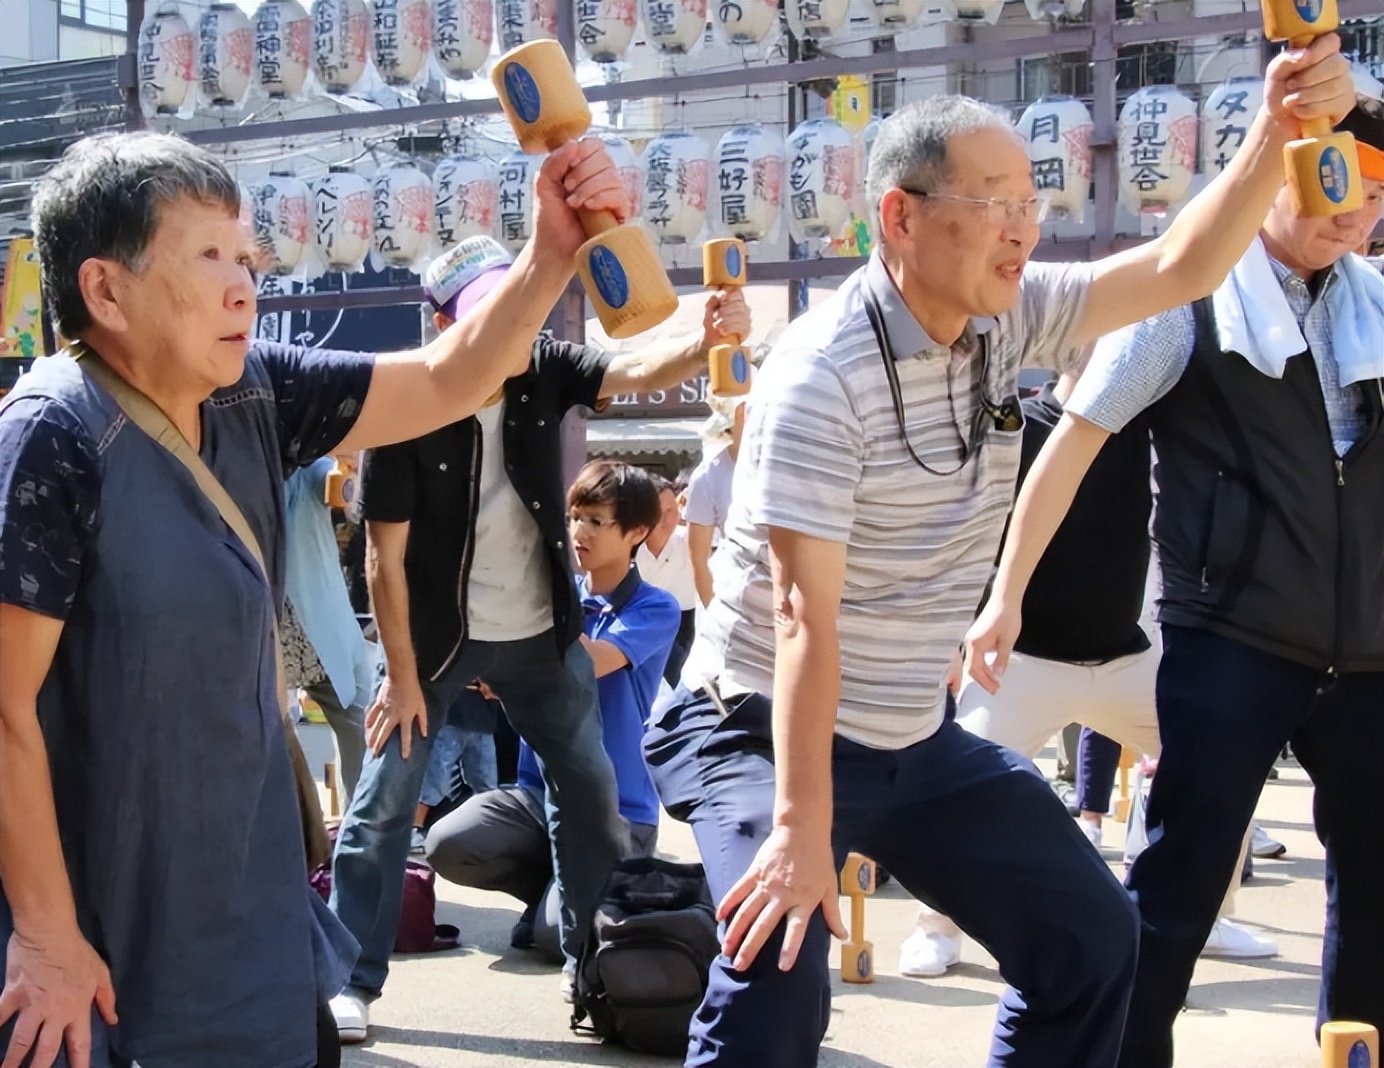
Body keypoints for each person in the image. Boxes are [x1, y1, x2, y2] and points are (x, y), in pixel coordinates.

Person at [641, 42, 1355, 1068]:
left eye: (1030, 196)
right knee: (778, 958)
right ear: (901, 216)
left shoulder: (1005, 320)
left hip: (911, 739)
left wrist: (1273, 136)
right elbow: (804, 617)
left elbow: (1177, 269)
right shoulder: (817, 376)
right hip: (757, 729)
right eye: (991, 199)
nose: (1024, 224)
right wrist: (802, 831)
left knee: (1093, 939)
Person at [0, 128, 628, 1068]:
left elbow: (450, 377)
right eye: (206, 255)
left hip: (249, 907)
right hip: (102, 919)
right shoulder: (50, 436)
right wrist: (46, 937)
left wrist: (548, 253)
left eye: (245, 254)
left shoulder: (256, 391)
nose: (243, 283)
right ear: (104, 288)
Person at [965, 99, 1384, 1065]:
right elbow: (1069, 448)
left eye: (1374, 203)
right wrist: (1005, 594)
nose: (1356, 221)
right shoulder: (1186, 306)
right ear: (1280, 175)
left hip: (1364, 649)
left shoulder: (1370, 309)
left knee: (1376, 881)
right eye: (1340, 194)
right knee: (1178, 883)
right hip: (1231, 640)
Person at [330, 236, 749, 1041]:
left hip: (542, 634)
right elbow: (383, 560)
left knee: (589, 791)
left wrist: (704, 336)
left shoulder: (542, 364)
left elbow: (632, 370)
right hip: (439, 642)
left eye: (515, 308)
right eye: (486, 313)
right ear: (444, 323)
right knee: (383, 803)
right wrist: (405, 676)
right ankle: (352, 980)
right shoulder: (402, 400)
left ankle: (594, 971)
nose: (507, 329)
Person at [897, 360, 1274, 982]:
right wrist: (949, 641)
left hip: (1127, 657)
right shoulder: (1018, 426)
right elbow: (964, 534)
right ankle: (937, 928)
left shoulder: (1149, 425)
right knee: (950, 789)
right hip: (1021, 660)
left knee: (1222, 767)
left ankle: (1209, 916)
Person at [426, 460, 680, 961]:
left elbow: (590, 662)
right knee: (448, 843)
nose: (578, 532)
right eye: (574, 517)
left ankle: (613, 889)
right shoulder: (550, 595)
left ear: (637, 532)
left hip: (616, 810)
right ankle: (555, 891)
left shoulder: (655, 607)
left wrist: (537, 612)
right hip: (536, 794)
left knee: (548, 941)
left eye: (596, 521)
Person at [283, 455, 376, 806]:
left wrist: (347, 466)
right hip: (296, 626)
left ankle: (356, 831)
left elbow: (342, 494)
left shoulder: (313, 468)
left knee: (358, 724)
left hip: (314, 624)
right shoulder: (300, 466)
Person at [683, 392, 745, 607]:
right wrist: (715, 612)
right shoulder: (707, 477)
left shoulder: (788, 466)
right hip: (736, 600)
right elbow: (699, 560)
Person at [636, 475, 698, 684]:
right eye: (659, 512)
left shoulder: (689, 540)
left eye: (671, 510)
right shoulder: (628, 547)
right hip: (639, 623)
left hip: (682, 624)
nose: (666, 519)